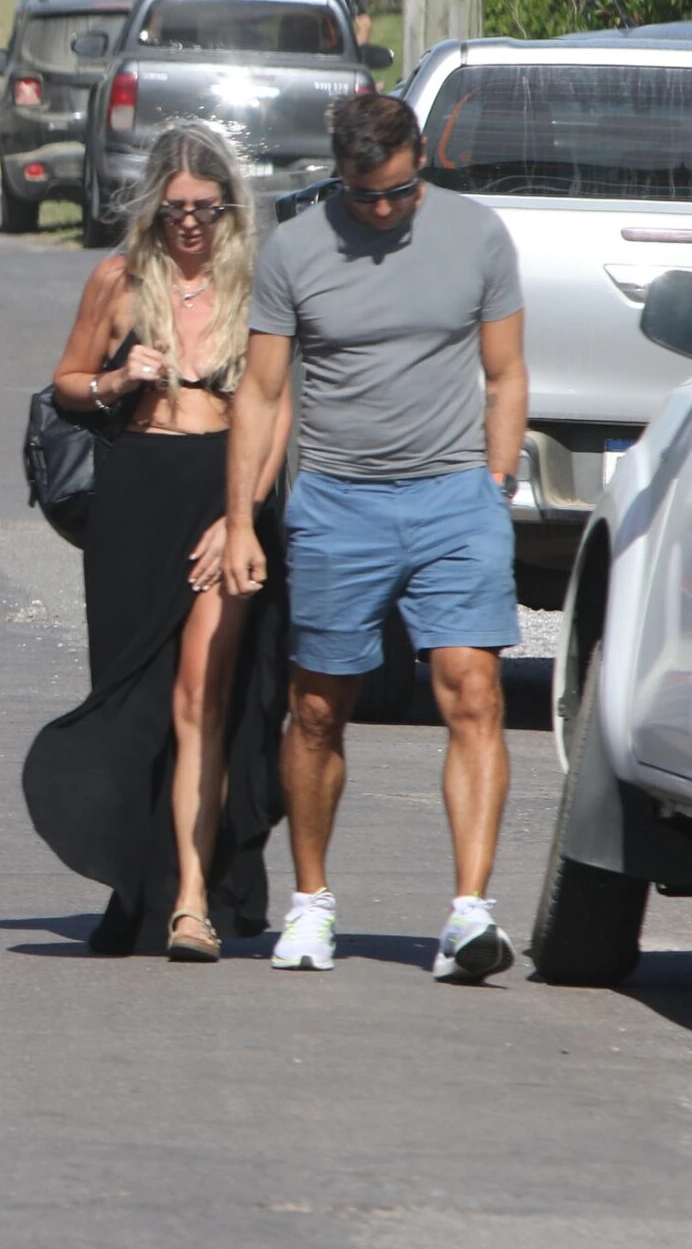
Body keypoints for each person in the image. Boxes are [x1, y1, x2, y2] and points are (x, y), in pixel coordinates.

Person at [224, 93, 528, 980]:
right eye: (365, 196)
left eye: (398, 191)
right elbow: (261, 392)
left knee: (471, 690)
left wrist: (494, 486)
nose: (384, 210)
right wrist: (243, 516)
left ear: (420, 159)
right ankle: (311, 904)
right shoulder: (296, 249)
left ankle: (469, 915)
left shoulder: (477, 235)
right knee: (318, 707)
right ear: (339, 173)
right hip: (336, 502)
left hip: (453, 498)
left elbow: (505, 373)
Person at [24, 121, 290, 961]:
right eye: (174, 208)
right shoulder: (119, 279)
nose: (188, 224)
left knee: (199, 697)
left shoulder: (257, 287)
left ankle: (192, 900)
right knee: (135, 702)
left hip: (224, 493)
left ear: (229, 208)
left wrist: (240, 513)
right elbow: (67, 384)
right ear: (153, 208)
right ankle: (137, 883)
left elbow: (276, 408)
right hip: (137, 501)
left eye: (204, 209)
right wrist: (113, 378)